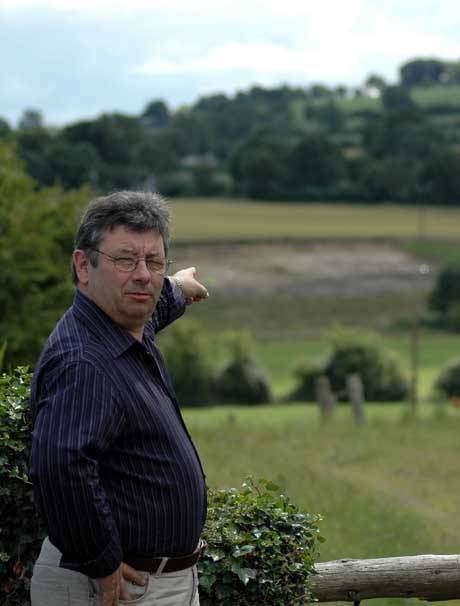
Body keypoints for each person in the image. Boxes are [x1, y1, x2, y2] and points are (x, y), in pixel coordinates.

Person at [30, 191, 209, 606]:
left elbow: (154, 304)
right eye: (126, 260)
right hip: (114, 587)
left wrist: (178, 287)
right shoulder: (84, 363)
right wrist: (101, 562)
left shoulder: (123, 324)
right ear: (83, 265)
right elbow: (60, 466)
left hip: (150, 583)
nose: (144, 275)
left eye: (154, 261)